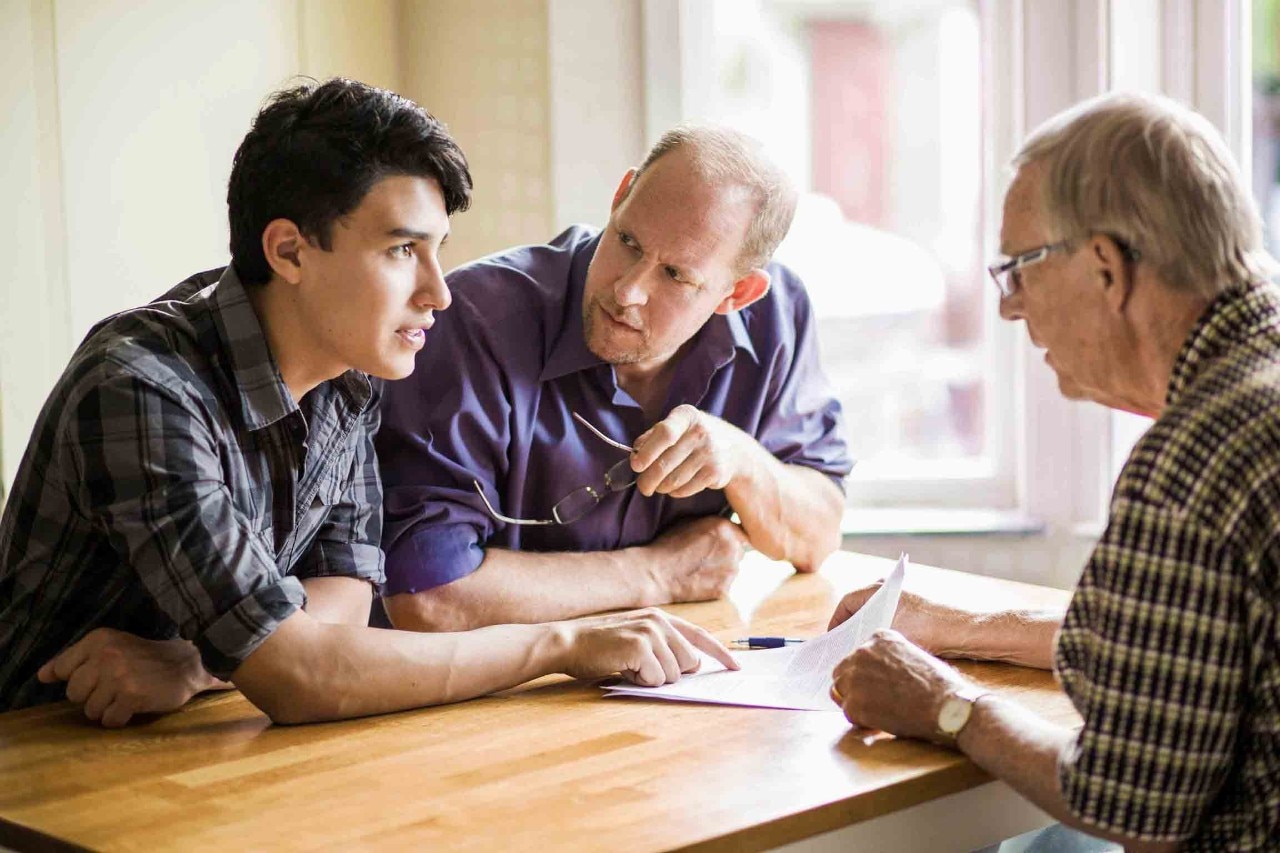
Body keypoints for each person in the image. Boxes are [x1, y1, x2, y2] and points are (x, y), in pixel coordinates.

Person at [0, 78, 735, 726]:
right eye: (400, 251)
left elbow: (344, 605)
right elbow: (300, 675)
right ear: (288, 251)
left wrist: (196, 665)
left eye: (440, 249)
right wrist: (563, 643)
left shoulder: (350, 374)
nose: (439, 292)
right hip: (36, 766)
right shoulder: (142, 386)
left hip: (190, 753)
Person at [828, 92, 1280, 851]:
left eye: (1021, 269)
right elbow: (1182, 637)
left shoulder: (1199, 456)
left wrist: (947, 701)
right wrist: (959, 627)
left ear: (1106, 267)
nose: (1010, 309)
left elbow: (1130, 806)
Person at [375, 126, 852, 632]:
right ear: (621, 194)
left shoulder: (778, 314)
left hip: (674, 677)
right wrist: (655, 575)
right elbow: (423, 596)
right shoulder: (473, 318)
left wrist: (741, 461)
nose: (627, 291)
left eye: (675, 276)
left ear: (738, 293)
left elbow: (819, 534)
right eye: (627, 240)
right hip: (493, 695)